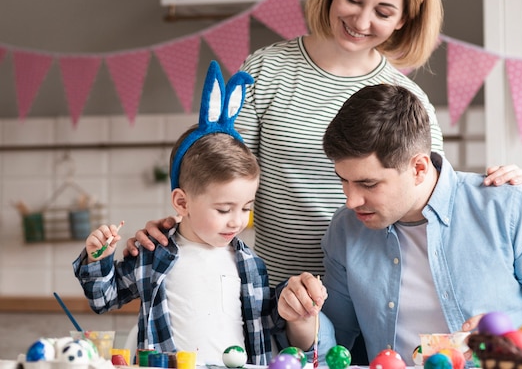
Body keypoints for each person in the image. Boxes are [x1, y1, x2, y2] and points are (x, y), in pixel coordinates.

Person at [125, 0, 522, 287]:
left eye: (383, 11)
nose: (361, 19)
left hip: (372, 297)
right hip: (271, 290)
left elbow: (432, 204)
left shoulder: (406, 102)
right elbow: (216, 173)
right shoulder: (266, 70)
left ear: (404, 21)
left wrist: (501, 190)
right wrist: (181, 224)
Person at [277, 83, 522, 365]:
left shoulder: (511, 207)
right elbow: (338, 343)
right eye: (344, 182)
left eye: (368, 184)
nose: (351, 201)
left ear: (419, 168)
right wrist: (304, 319)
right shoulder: (346, 229)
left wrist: (513, 341)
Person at [73, 62, 335, 365]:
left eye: (246, 208)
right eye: (224, 209)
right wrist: (97, 258)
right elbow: (103, 299)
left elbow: (270, 322)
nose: (237, 220)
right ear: (182, 203)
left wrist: (294, 302)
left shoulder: (250, 264)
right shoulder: (152, 254)